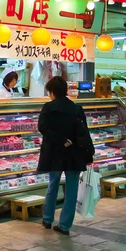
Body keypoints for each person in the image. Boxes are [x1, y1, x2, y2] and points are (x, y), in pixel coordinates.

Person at [37, 76, 93, 235]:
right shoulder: (76, 108)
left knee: (52, 185)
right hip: (74, 154)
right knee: (72, 190)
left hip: (54, 153)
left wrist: (60, 140)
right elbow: (83, 132)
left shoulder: (48, 108)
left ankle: (47, 219)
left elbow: (43, 128)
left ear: (52, 92)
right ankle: (64, 226)